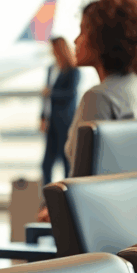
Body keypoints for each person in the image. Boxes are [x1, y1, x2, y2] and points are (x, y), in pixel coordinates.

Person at [36, 0, 137, 222]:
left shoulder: (98, 98)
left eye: (83, 31)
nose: (75, 40)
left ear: (103, 38)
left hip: (103, 226)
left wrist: (52, 213)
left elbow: (82, 183)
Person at [39, 37, 80, 185]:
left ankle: (67, 197)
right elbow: (45, 98)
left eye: (54, 49)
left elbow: (71, 94)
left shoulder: (73, 71)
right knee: (46, 164)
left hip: (65, 122)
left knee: (66, 162)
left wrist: (51, 93)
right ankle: (47, 199)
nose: (52, 52)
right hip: (51, 122)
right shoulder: (51, 68)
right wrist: (42, 117)